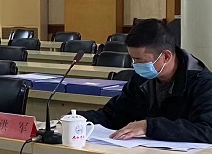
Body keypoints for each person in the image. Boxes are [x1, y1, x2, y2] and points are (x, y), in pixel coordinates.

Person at [79, 19, 212, 143]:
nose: (134, 65)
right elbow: (114, 115)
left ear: (166, 56)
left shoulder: (203, 84)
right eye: (132, 59)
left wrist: (149, 126)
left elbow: (207, 130)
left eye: (139, 60)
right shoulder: (141, 79)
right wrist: (78, 119)